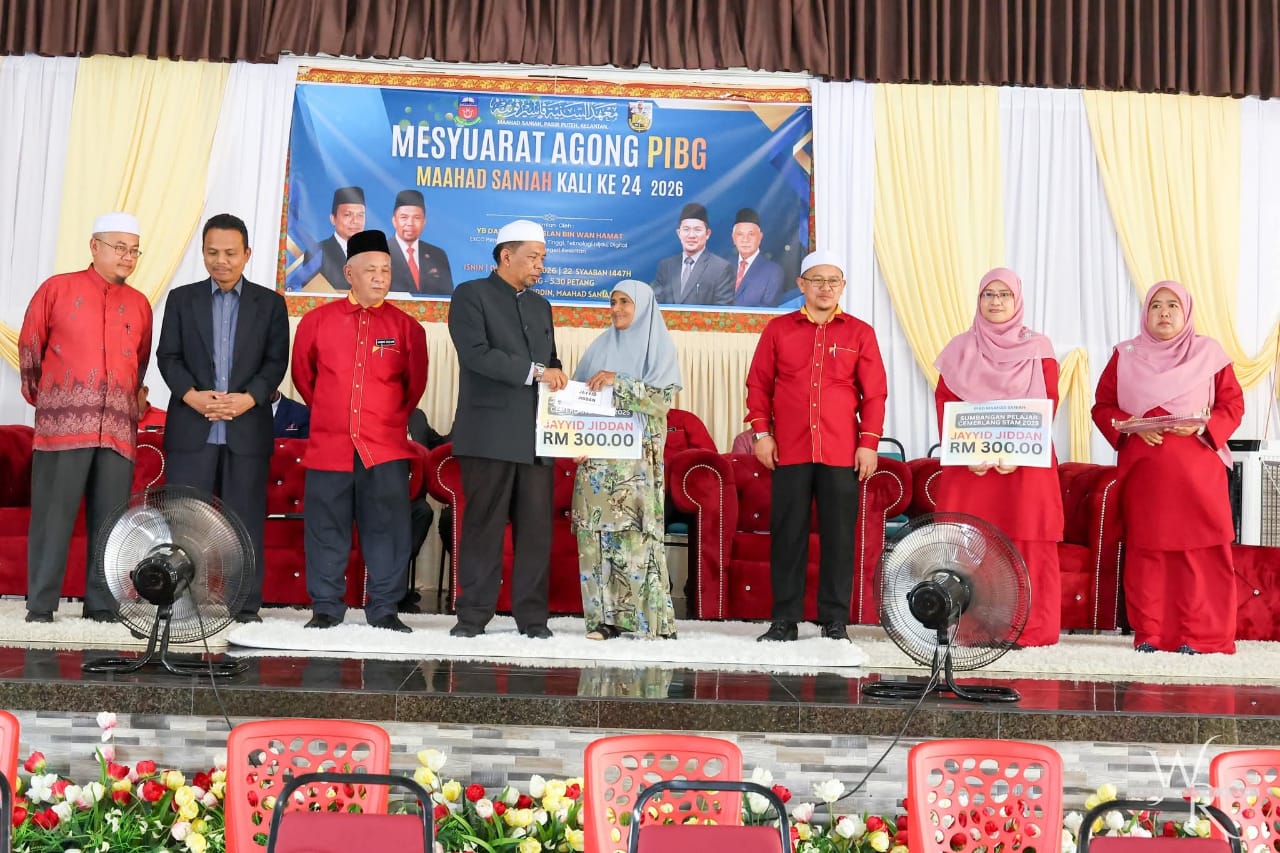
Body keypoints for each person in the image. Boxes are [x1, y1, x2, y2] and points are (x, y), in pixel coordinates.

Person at [1092, 281, 1243, 654]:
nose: (1163, 312)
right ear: (1145, 313)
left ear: (1186, 312)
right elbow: (1103, 407)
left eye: (1172, 305)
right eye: (1156, 305)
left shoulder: (1209, 354)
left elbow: (1232, 405)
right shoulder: (1125, 355)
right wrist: (1132, 426)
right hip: (1146, 474)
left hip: (1198, 474)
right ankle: (1151, 633)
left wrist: (1203, 426)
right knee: (1148, 553)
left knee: (1199, 553)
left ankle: (1202, 636)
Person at [745, 249, 887, 642]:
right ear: (801, 285)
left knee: (839, 539)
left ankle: (834, 620)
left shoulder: (860, 333)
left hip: (841, 451)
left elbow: (875, 394)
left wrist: (869, 443)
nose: (825, 288)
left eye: (833, 281)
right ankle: (784, 620)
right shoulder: (778, 330)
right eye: (817, 280)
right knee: (787, 535)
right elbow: (758, 384)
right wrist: (762, 434)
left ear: (842, 286)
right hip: (788, 450)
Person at [18, 212, 152, 623]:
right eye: (119, 247)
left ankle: (102, 605)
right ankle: (41, 605)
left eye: (134, 250)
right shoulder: (57, 289)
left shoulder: (141, 305)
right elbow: (30, 350)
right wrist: (54, 401)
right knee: (52, 518)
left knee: (110, 520)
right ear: (94, 246)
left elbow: (139, 363)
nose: (127, 257)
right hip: (63, 427)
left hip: (117, 429)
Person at [291, 229, 428, 632]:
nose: (380, 277)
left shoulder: (407, 328)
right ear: (349, 273)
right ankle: (326, 607)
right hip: (329, 447)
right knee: (325, 529)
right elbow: (304, 378)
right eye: (371, 270)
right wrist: (334, 414)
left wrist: (382, 420)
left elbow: (413, 387)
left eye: (386, 269)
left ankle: (384, 608)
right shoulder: (316, 322)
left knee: (387, 529)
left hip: (384, 448)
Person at [156, 213, 289, 623]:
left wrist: (248, 399)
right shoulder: (182, 299)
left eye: (230, 253)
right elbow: (168, 356)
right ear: (203, 253)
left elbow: (275, 361)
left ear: (247, 254)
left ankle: (243, 606)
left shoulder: (270, 304)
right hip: (191, 427)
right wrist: (192, 396)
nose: (221, 261)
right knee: (185, 521)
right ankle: (181, 603)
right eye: (212, 252)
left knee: (244, 521)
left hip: (246, 428)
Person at [932, 268, 1064, 647]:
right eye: (988, 294)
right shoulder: (959, 349)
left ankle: (1031, 629)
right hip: (971, 468)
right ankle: (975, 629)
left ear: (1017, 300)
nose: (996, 301)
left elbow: (1048, 403)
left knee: (1028, 541)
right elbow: (946, 405)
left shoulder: (1039, 347)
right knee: (973, 545)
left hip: (1025, 466)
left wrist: (1017, 451)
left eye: (1004, 294)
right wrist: (968, 452)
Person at [448, 219, 567, 638]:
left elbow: (551, 364)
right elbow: (476, 354)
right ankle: (472, 617)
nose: (540, 266)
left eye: (543, 259)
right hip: (489, 435)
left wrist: (566, 392)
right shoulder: (470, 295)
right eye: (533, 257)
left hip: (536, 438)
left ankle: (533, 620)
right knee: (483, 528)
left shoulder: (541, 306)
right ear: (505, 256)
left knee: (536, 533)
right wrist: (536, 371)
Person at [572, 280, 681, 640]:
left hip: (636, 466)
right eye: (613, 302)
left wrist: (618, 381)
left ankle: (650, 622)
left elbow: (661, 401)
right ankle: (603, 621)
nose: (616, 309)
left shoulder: (659, 348)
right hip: (597, 464)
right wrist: (574, 439)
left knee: (635, 539)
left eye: (625, 302)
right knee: (595, 539)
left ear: (644, 307)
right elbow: (576, 400)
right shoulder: (599, 346)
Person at [651, 202, 734, 306]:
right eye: (686, 229)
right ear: (679, 233)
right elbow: (656, 304)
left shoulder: (721, 268)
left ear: (707, 234)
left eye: (697, 230)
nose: (691, 235)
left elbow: (722, 311)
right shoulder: (666, 266)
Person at [388, 189, 453, 296]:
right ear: (394, 221)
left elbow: (447, 296)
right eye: (404, 217)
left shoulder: (438, 255)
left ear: (424, 222)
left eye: (417, 218)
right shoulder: (381, 252)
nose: (410, 223)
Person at [304, 186, 365, 290]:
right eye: (347, 215)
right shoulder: (316, 252)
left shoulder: (373, 253)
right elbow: (310, 293)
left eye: (360, 215)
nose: (355, 221)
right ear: (333, 219)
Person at [730, 208, 785, 308]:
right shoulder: (723, 266)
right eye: (740, 234)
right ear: (733, 238)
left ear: (760, 237)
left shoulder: (773, 271)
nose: (745, 239)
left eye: (751, 234)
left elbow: (767, 310)